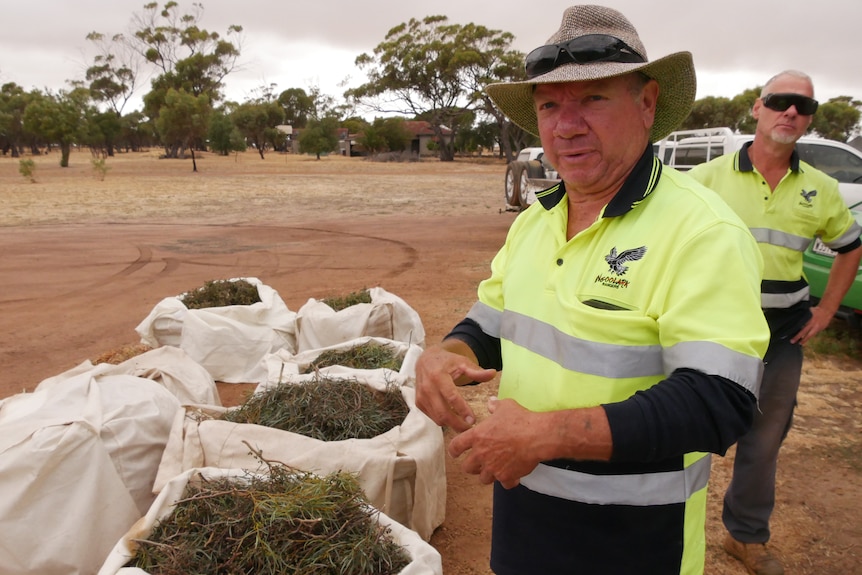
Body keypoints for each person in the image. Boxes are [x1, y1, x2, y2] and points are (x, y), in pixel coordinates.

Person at [414, 5, 770, 575]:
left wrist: (547, 434)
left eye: (594, 98)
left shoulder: (701, 230)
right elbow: (495, 319)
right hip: (524, 526)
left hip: (635, 543)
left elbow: (719, 400)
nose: (566, 124)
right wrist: (447, 355)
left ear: (647, 102)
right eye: (550, 105)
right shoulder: (536, 219)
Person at [688, 70, 862, 575]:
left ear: (809, 120)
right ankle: (668, 520)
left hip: (783, 332)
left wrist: (827, 310)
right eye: (782, 101)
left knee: (764, 439)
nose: (792, 112)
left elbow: (851, 247)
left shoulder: (822, 189)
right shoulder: (706, 179)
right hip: (713, 326)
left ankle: (744, 537)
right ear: (757, 108)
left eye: (804, 107)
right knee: (687, 422)